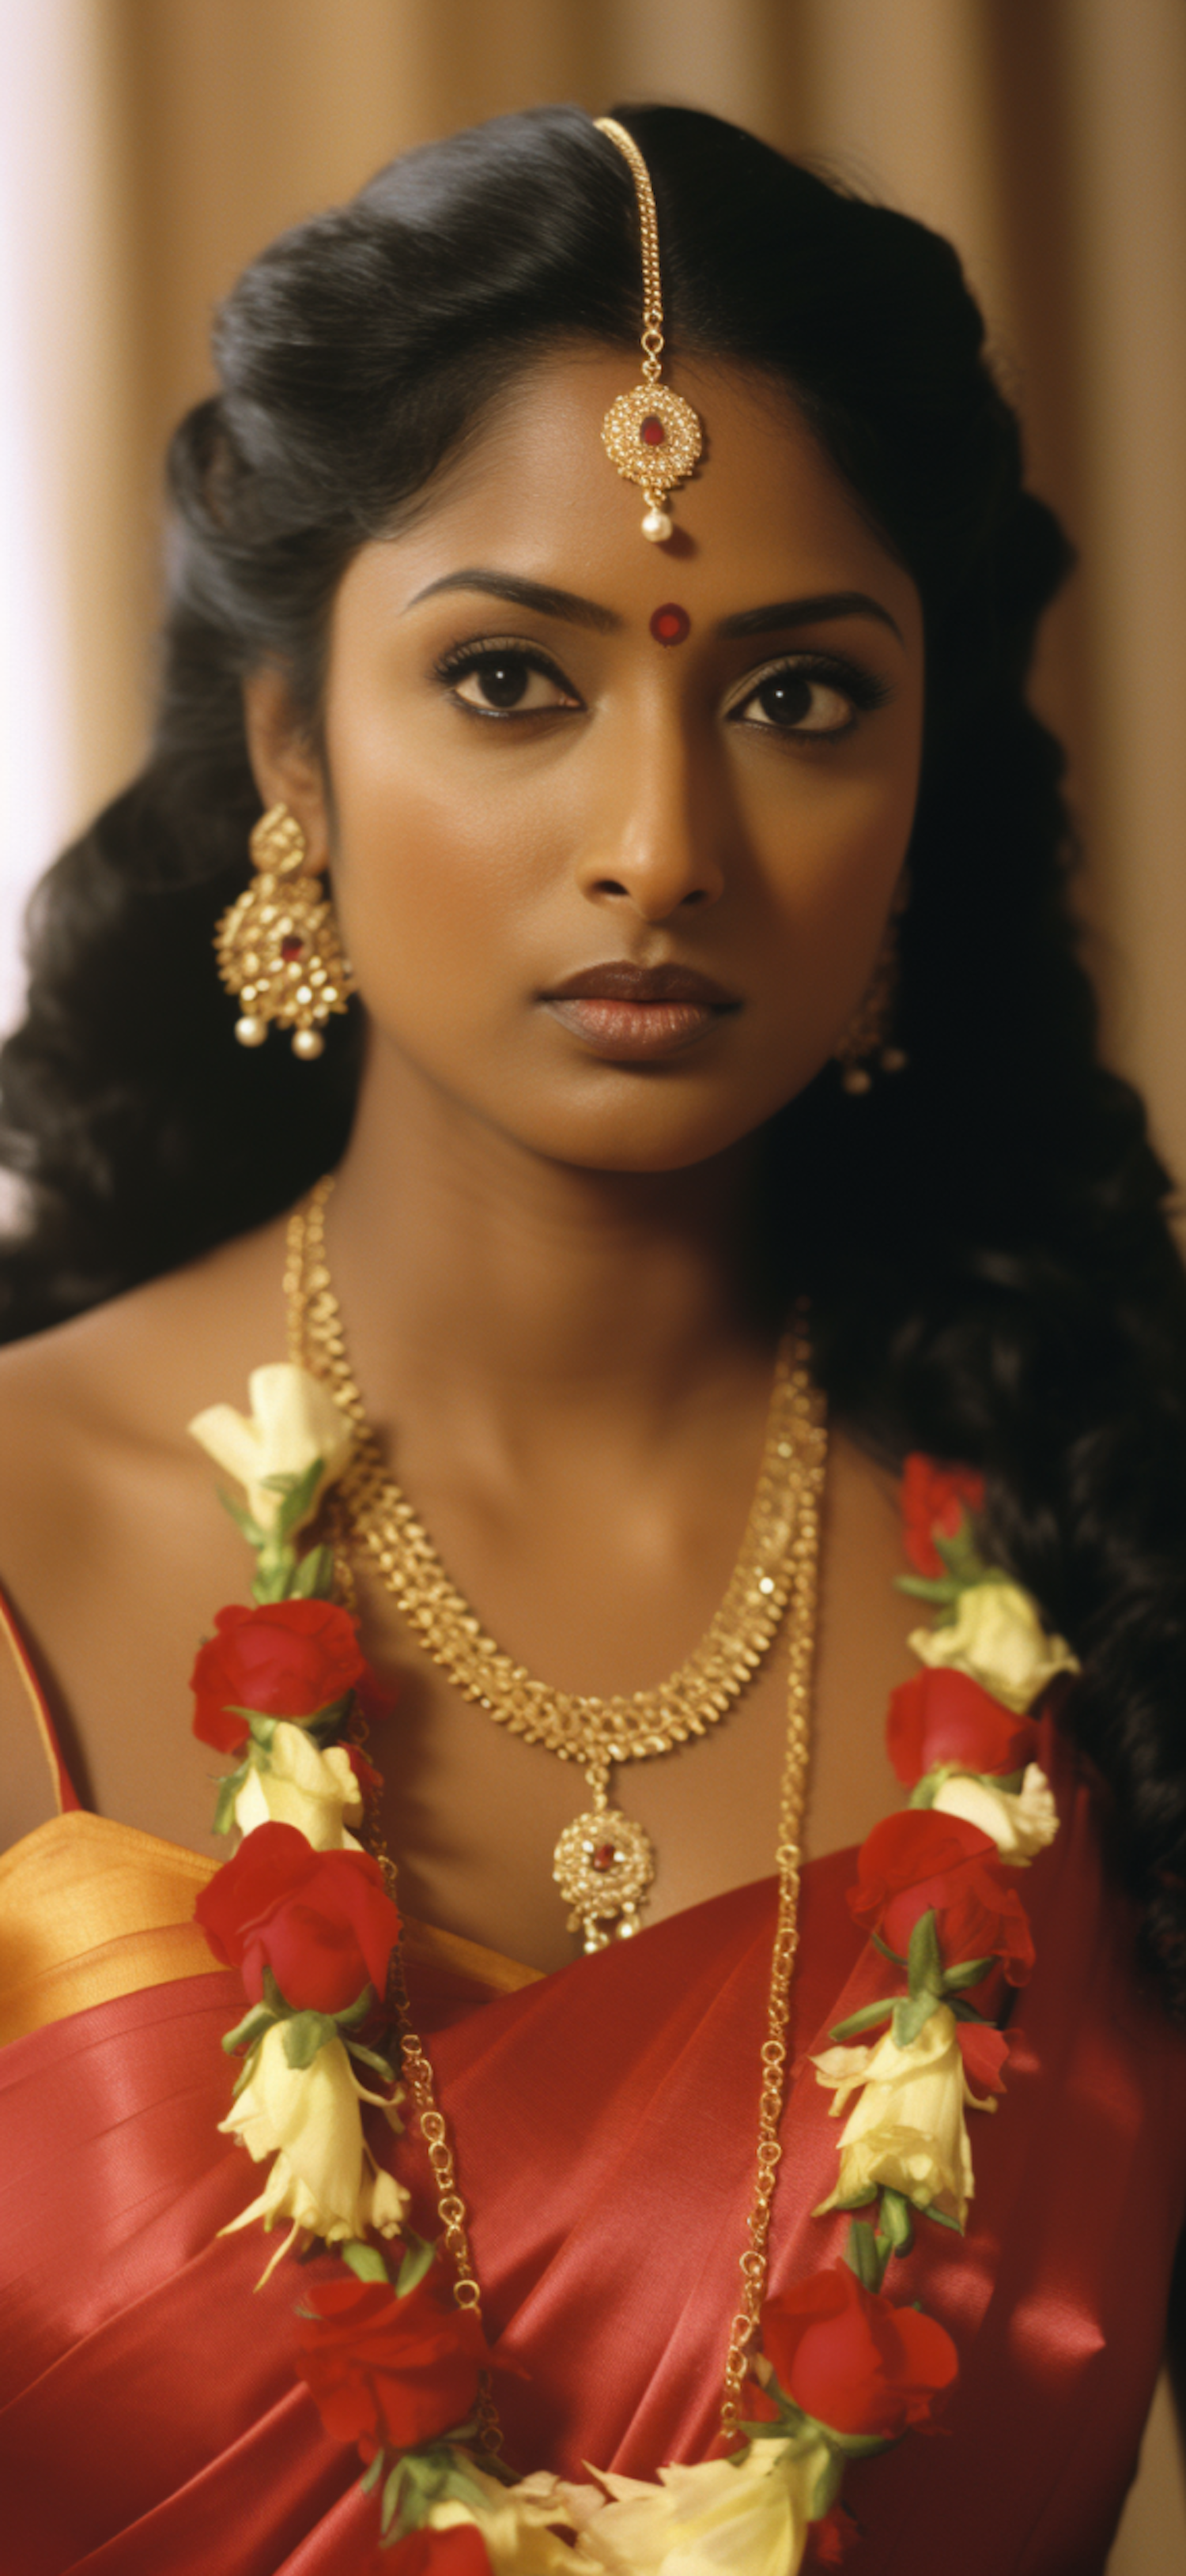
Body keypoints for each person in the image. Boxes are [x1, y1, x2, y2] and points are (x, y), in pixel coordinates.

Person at [0, 97, 1184, 2575]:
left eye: (795, 702)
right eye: (513, 677)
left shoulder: (1112, 1558)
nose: (659, 839)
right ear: (291, 755)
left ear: (918, 779)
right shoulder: (18, 1543)